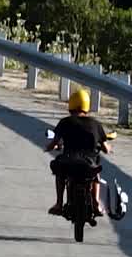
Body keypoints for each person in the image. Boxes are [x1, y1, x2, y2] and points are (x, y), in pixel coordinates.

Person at [46, 88, 111, 217]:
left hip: (68, 162)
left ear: (71, 105)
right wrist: (108, 148)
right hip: (88, 164)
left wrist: (48, 148)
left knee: (60, 174)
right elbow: (105, 148)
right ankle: (96, 203)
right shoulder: (96, 124)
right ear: (86, 106)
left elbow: (54, 143)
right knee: (96, 175)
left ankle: (59, 203)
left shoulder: (65, 122)